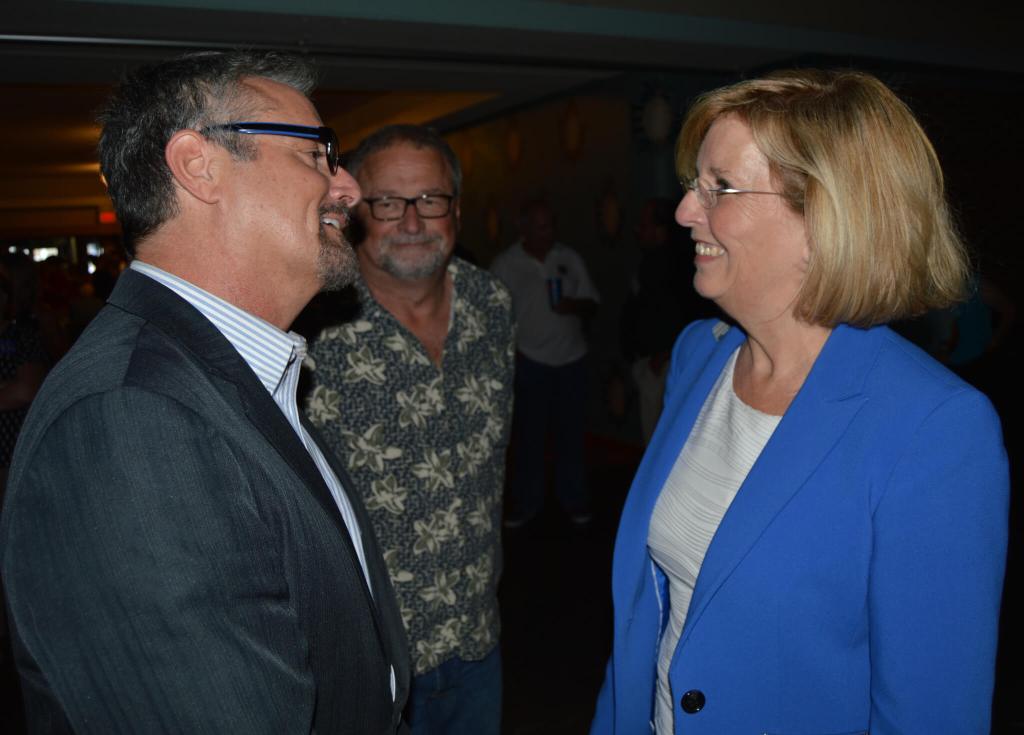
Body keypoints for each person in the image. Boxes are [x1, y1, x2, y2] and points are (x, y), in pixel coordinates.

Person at [0, 51, 410, 733]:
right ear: (199, 165)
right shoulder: (130, 421)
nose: (348, 187)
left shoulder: (222, 372)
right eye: (317, 155)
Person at [591, 69, 1009, 735]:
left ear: (826, 217)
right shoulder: (701, 354)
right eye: (694, 184)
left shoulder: (934, 430)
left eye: (719, 187)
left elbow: (932, 716)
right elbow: (653, 612)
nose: (684, 212)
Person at [304, 125, 513, 735]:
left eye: (431, 199)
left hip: (477, 636)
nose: (413, 220)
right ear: (352, 212)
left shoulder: (491, 303)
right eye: (388, 202)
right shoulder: (310, 326)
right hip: (363, 658)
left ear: (456, 208)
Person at [491, 199, 599, 527]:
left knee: (571, 436)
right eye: (540, 226)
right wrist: (512, 354)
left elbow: (592, 303)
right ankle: (527, 504)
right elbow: (493, 318)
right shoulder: (505, 264)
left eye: (551, 224)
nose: (548, 231)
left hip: (571, 359)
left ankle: (575, 500)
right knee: (529, 439)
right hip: (530, 362)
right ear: (523, 228)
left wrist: (573, 305)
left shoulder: (567, 257)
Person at [619, 197, 712, 444]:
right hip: (646, 361)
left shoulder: (677, 264)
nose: (638, 229)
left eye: (645, 223)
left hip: (662, 364)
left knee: (661, 441)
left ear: (661, 228)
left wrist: (664, 354)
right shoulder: (648, 261)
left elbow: (683, 309)